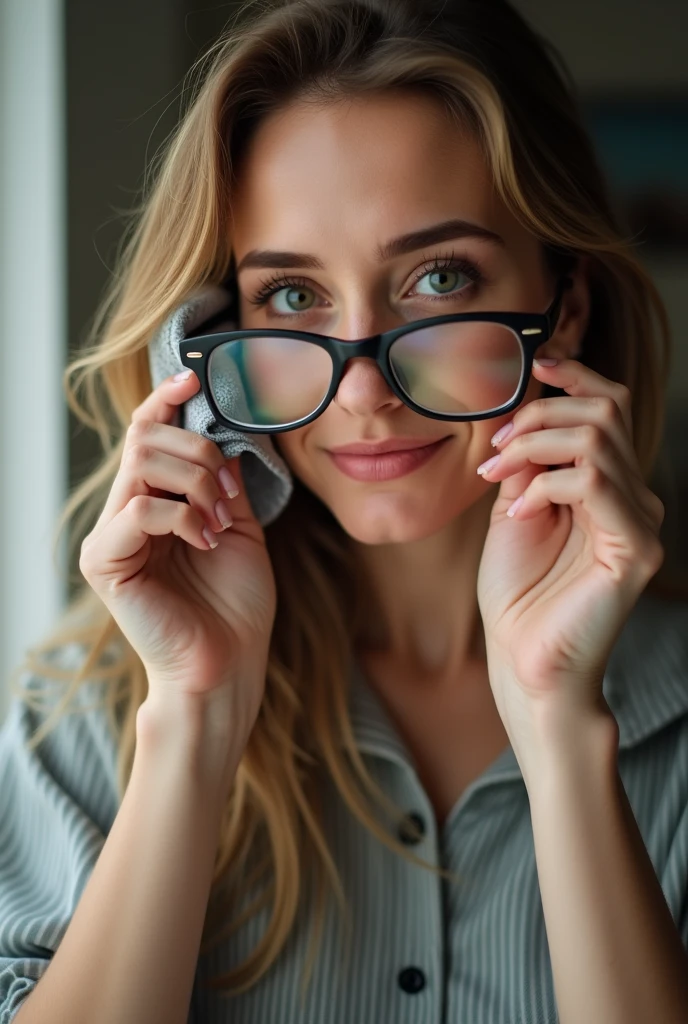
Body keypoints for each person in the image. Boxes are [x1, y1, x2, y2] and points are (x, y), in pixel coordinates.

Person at [2, 0, 688, 1021]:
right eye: (290, 297)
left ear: (565, 307)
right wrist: (194, 717)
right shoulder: (84, 713)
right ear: (206, 343)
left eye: (438, 279)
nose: (363, 390)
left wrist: (557, 725)